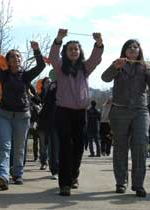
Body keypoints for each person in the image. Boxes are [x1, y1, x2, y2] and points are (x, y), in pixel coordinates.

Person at [101, 39, 150, 197]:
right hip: (120, 111)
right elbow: (105, 78)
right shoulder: (119, 64)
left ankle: (138, 184)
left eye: (136, 47)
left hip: (140, 111)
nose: (133, 49)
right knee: (120, 147)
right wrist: (115, 67)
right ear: (124, 51)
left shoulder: (145, 66)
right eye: (129, 47)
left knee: (141, 145)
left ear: (139, 50)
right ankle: (121, 182)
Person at [0, 35, 46, 190]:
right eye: (12, 56)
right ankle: (2, 176)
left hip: (22, 116)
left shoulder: (26, 76)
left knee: (19, 147)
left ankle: (17, 174)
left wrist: (36, 50)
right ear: (7, 61)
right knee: (5, 147)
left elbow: (41, 66)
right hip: (4, 115)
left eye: (18, 56)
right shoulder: (3, 75)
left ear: (21, 60)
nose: (16, 58)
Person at [49, 28, 103, 196]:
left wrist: (99, 43)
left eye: (76, 49)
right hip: (63, 111)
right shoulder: (59, 67)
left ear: (80, 52)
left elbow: (96, 58)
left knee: (79, 146)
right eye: (70, 49)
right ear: (65, 52)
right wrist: (59, 39)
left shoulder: (85, 68)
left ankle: (73, 175)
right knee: (65, 146)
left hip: (80, 112)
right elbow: (52, 56)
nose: (73, 51)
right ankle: (64, 184)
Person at [38, 77, 59, 179]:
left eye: (49, 81)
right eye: (47, 82)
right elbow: (46, 104)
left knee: (61, 147)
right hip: (50, 122)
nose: (49, 83)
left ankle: (64, 170)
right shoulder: (51, 88)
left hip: (65, 119)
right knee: (51, 146)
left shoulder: (68, 82)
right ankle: (54, 169)